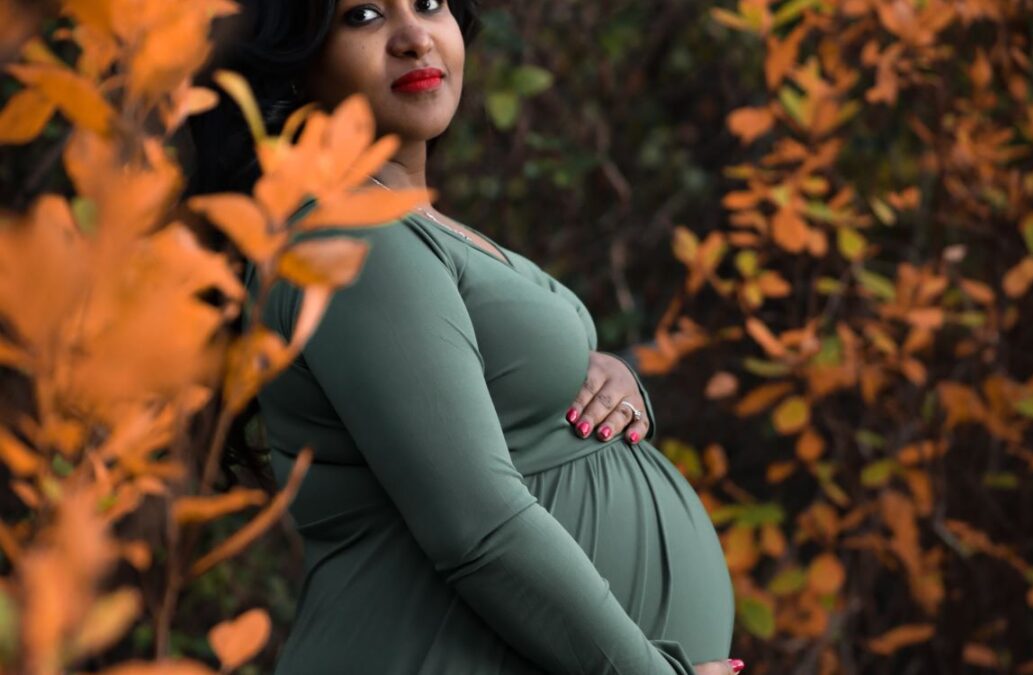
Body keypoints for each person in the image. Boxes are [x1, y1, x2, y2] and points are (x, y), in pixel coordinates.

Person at [192, 0, 739, 673]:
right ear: (298, 59)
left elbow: (482, 391)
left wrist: (604, 381)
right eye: (364, 15)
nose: (414, 36)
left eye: (429, 4)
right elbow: (478, 525)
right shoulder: (348, 235)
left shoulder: (409, 225)